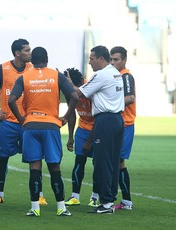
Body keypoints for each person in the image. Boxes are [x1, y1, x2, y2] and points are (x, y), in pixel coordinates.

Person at [8, 46, 78, 217]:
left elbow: (11, 100)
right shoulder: (56, 75)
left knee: (35, 168)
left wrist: (21, 119)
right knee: (54, 167)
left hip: (30, 126)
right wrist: (66, 117)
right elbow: (75, 97)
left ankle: (35, 208)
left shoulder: (24, 77)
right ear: (47, 59)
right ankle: (61, 207)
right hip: (51, 126)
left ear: (32, 60)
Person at [0, 39, 47, 205]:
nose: (30, 53)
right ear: (17, 53)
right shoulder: (2, 69)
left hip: (29, 123)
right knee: (3, 158)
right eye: (27, 50)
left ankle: (40, 195)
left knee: (35, 159)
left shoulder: (34, 69)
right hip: (8, 123)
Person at [72, 45, 124, 214]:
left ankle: (107, 203)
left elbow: (79, 94)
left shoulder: (101, 75)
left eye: (92, 58)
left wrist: (63, 81)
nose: (90, 62)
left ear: (101, 59)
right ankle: (110, 198)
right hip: (117, 119)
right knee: (113, 161)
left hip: (105, 120)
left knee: (102, 161)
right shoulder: (116, 73)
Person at [64, 68, 99, 207]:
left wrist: (90, 141)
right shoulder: (69, 92)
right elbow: (71, 113)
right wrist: (71, 137)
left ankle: (95, 197)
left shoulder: (91, 87)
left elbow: (99, 117)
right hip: (83, 128)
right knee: (79, 161)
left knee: (98, 164)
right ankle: (75, 196)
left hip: (98, 129)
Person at [110, 46, 136, 210]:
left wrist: (111, 105)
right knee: (116, 161)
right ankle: (124, 200)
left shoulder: (126, 76)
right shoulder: (115, 75)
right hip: (116, 123)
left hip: (125, 124)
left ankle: (126, 201)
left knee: (118, 160)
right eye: (111, 59)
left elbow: (130, 97)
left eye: (116, 59)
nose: (113, 62)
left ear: (124, 60)